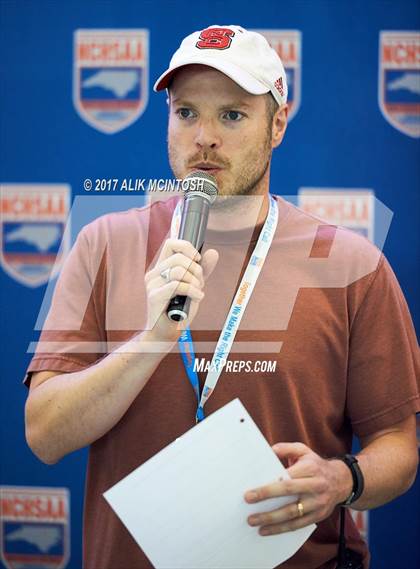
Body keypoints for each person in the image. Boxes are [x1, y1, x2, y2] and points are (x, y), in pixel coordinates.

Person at [24, 25, 419, 569]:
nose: (204, 136)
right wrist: (153, 338)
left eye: (231, 115)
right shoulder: (102, 244)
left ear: (277, 124)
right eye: (186, 113)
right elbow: (44, 435)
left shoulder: (352, 264)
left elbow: (398, 444)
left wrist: (343, 479)